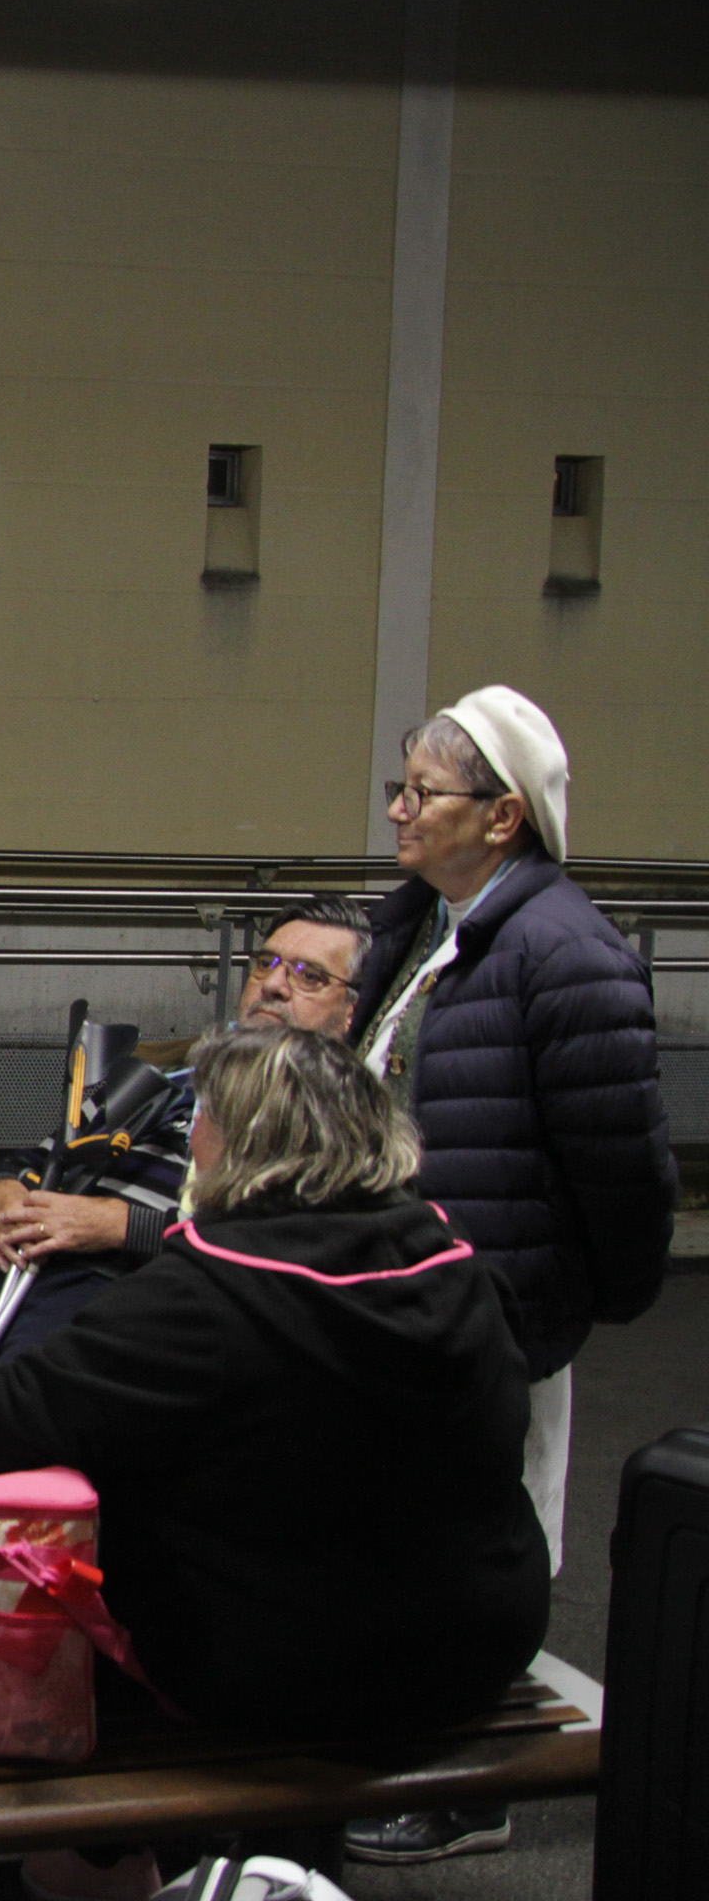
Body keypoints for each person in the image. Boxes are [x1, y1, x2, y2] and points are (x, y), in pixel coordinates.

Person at [0, 1027, 551, 1894]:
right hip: (476, 1647)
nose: (191, 1138)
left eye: (202, 1119)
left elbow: (16, 1410)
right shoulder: (455, 1263)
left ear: (242, 1146)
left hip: (289, 1674)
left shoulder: (212, 1292)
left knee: (67, 1551)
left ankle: (105, 1858)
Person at [0, 894, 373, 1581]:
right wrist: (3, 1190)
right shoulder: (174, 1076)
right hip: (33, 1250)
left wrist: (121, 1225)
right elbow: (44, 1153)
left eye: (309, 975)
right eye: (267, 962)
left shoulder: (333, 1108)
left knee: (26, 1376)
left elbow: (277, 1242)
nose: (276, 984)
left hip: (140, 1282)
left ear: (350, 1011)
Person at [342, 686, 676, 1867]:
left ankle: (477, 1780)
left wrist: (572, 1302)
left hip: (495, 1303)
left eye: (422, 793)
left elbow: (622, 1167)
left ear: (503, 816)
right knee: (418, 1537)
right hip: (409, 1297)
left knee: (495, 1540)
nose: (398, 810)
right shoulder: (429, 924)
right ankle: (418, 1735)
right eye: (401, 787)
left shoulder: (565, 952)